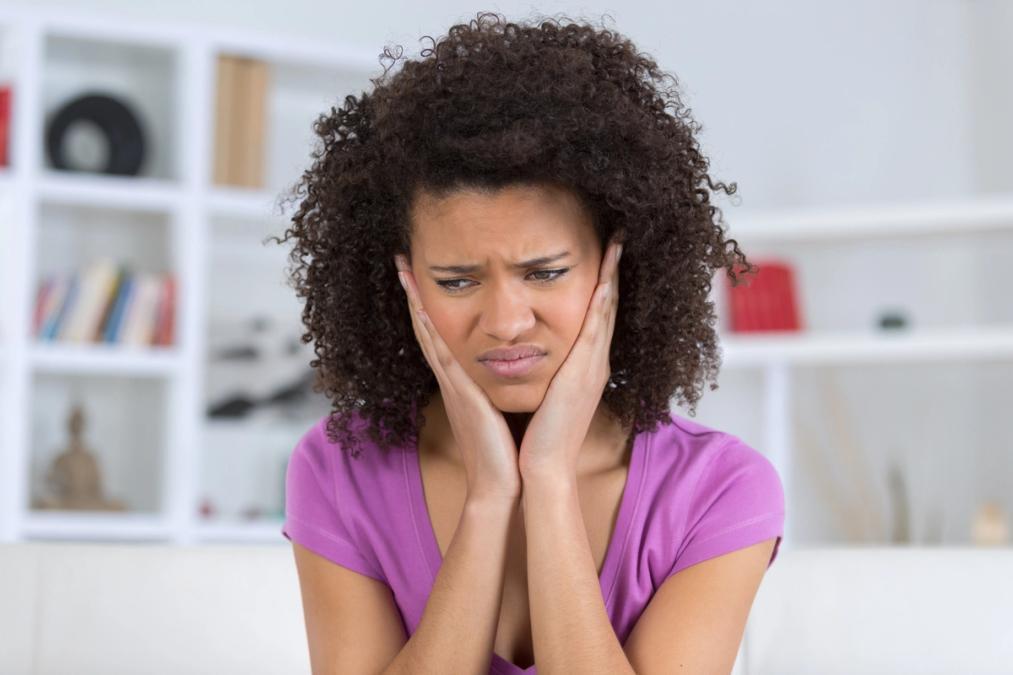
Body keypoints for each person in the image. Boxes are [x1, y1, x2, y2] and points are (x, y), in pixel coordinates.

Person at [271, 11, 785, 675]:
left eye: (544, 272)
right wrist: (489, 497)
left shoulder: (718, 490)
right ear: (402, 283)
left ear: (614, 266)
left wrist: (545, 481)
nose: (507, 321)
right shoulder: (340, 468)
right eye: (456, 281)